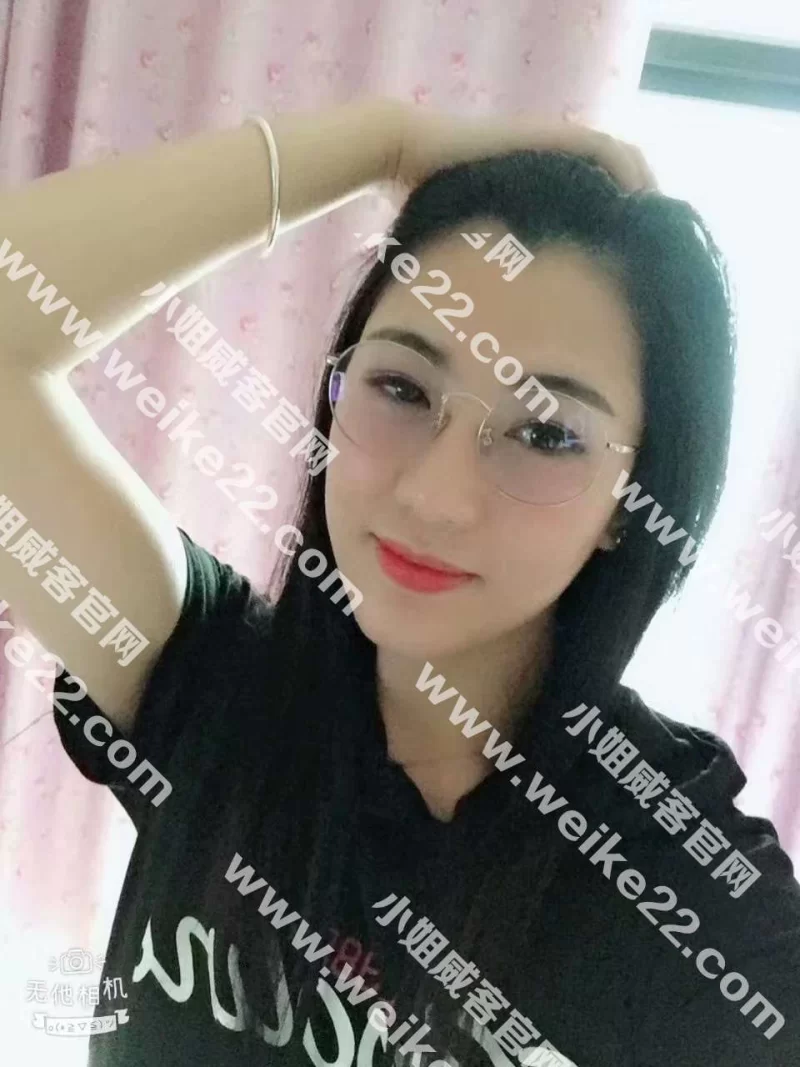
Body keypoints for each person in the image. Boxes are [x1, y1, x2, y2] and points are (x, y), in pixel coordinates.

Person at [0, 95, 797, 1067]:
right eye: (402, 388)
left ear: (631, 502)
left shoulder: (687, 888)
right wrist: (382, 143)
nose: (434, 496)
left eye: (547, 434)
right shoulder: (214, 684)